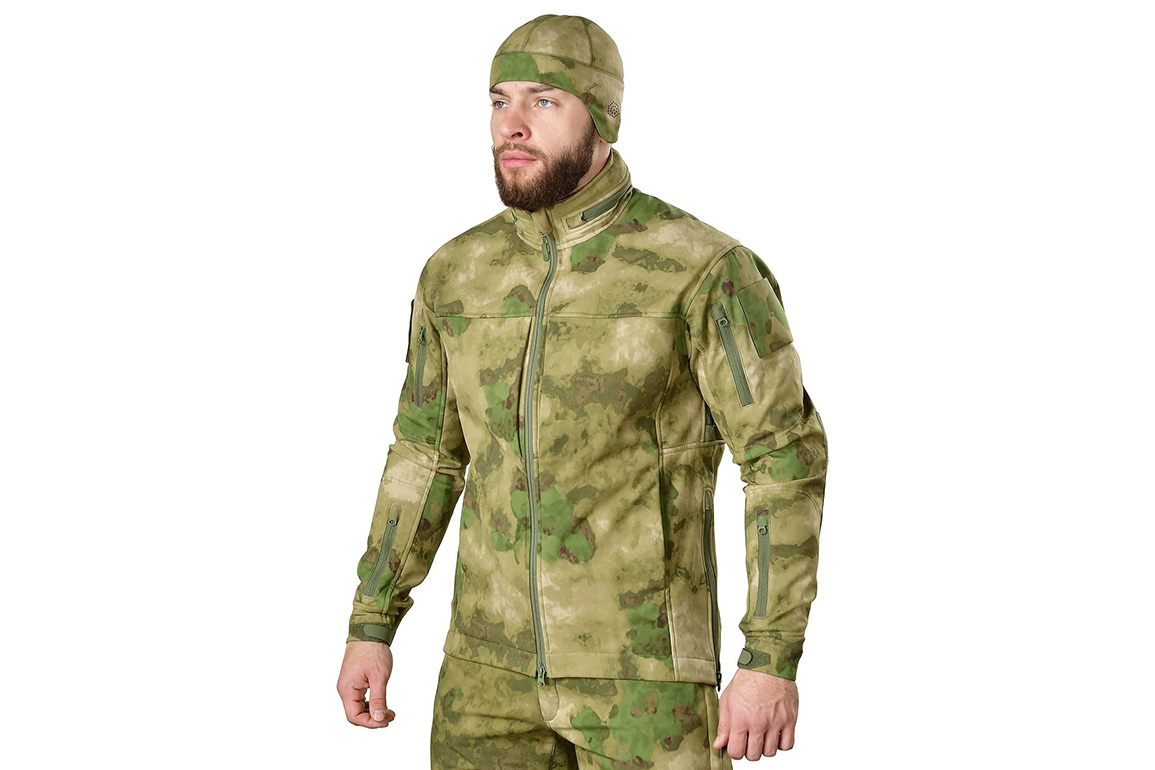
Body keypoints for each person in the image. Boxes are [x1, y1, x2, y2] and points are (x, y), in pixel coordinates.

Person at [336, 14, 828, 767]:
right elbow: (425, 457)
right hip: (484, 681)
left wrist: (769, 657)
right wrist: (371, 622)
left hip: (644, 685)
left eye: (543, 101)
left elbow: (782, 458)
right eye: (499, 101)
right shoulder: (457, 273)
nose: (512, 125)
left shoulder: (700, 269)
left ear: (602, 116)